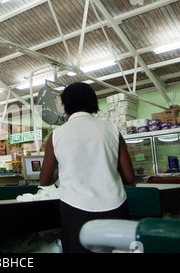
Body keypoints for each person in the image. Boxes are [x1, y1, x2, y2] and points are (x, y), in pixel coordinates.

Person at [39, 82, 136, 253]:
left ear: (65, 106)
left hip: (75, 210)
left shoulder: (56, 135)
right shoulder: (112, 129)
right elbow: (129, 178)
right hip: (115, 208)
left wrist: (61, 170)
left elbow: (45, 180)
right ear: (93, 102)